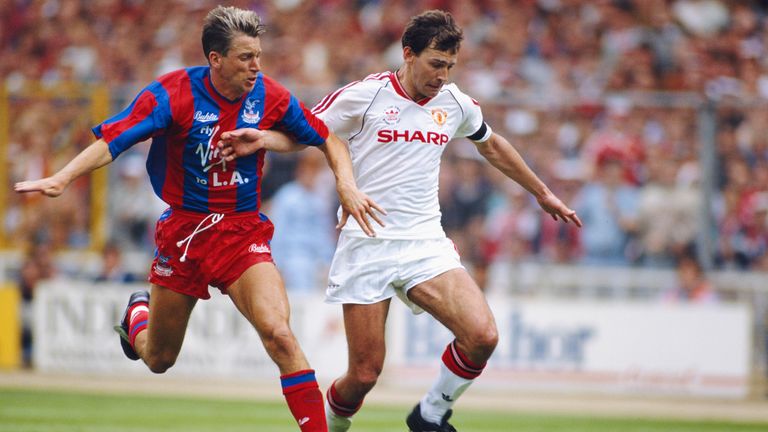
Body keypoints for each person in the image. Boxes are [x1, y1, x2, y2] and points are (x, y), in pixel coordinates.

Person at [14, 6, 384, 432]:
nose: (256, 66)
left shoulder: (270, 96)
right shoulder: (172, 94)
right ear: (216, 59)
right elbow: (114, 141)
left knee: (280, 335)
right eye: (246, 57)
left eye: (258, 55)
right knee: (158, 359)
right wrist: (63, 177)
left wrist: (347, 184)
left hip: (242, 231)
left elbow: (327, 139)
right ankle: (138, 315)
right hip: (184, 233)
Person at [219, 10, 581, 432]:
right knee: (365, 375)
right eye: (435, 64)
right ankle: (333, 425)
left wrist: (542, 192)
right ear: (408, 54)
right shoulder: (366, 95)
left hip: (425, 242)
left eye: (449, 66)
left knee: (483, 336)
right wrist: (263, 138)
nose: (442, 75)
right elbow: (307, 133)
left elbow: (493, 145)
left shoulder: (456, 103)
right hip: (367, 242)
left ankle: (430, 413)